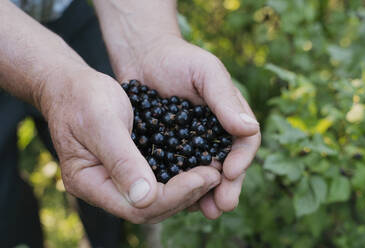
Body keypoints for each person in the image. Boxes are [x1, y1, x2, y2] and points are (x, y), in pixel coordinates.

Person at [0, 0, 261, 247]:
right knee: (5, 207)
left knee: (105, 155)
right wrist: (51, 80)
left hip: (68, 12)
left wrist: (152, 42)